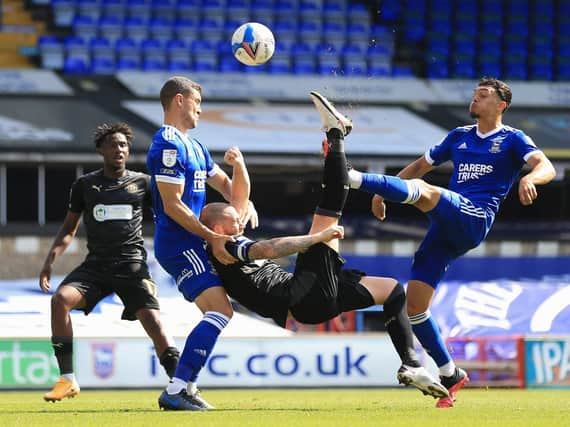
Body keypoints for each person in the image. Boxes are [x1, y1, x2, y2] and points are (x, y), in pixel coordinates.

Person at [198, 91, 450, 400]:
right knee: (329, 208)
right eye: (232, 221)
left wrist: (238, 165)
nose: (240, 221)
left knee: (392, 290)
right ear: (216, 228)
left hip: (309, 298)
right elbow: (268, 249)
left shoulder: (226, 231)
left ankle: (410, 364)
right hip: (299, 296)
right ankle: (335, 134)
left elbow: (239, 199)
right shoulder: (223, 246)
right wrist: (315, 240)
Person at [343, 78, 556, 408]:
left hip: (474, 218)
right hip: (445, 228)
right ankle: (450, 372)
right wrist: (390, 187)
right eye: (474, 94)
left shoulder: (512, 139)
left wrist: (530, 178)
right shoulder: (458, 137)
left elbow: (546, 167)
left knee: (428, 192)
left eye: (483, 96)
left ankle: (350, 177)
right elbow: (420, 166)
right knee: (415, 306)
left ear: (501, 105)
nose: (475, 99)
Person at [39, 123, 180, 402]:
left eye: (124, 145)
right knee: (60, 301)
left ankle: (182, 386)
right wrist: (49, 260)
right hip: (97, 266)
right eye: (113, 145)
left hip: (132, 265)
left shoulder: (144, 183)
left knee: (155, 324)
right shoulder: (85, 185)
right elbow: (69, 228)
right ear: (101, 150)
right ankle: (67, 380)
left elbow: (171, 214)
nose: (119, 149)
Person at [146, 76, 257, 411]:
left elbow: (230, 190)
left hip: (195, 241)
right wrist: (212, 236)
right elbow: (173, 205)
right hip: (179, 243)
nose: (200, 110)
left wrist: (241, 177)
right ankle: (178, 389)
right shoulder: (167, 143)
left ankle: (185, 386)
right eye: (197, 102)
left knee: (220, 312)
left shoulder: (195, 146)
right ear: (179, 100)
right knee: (220, 310)